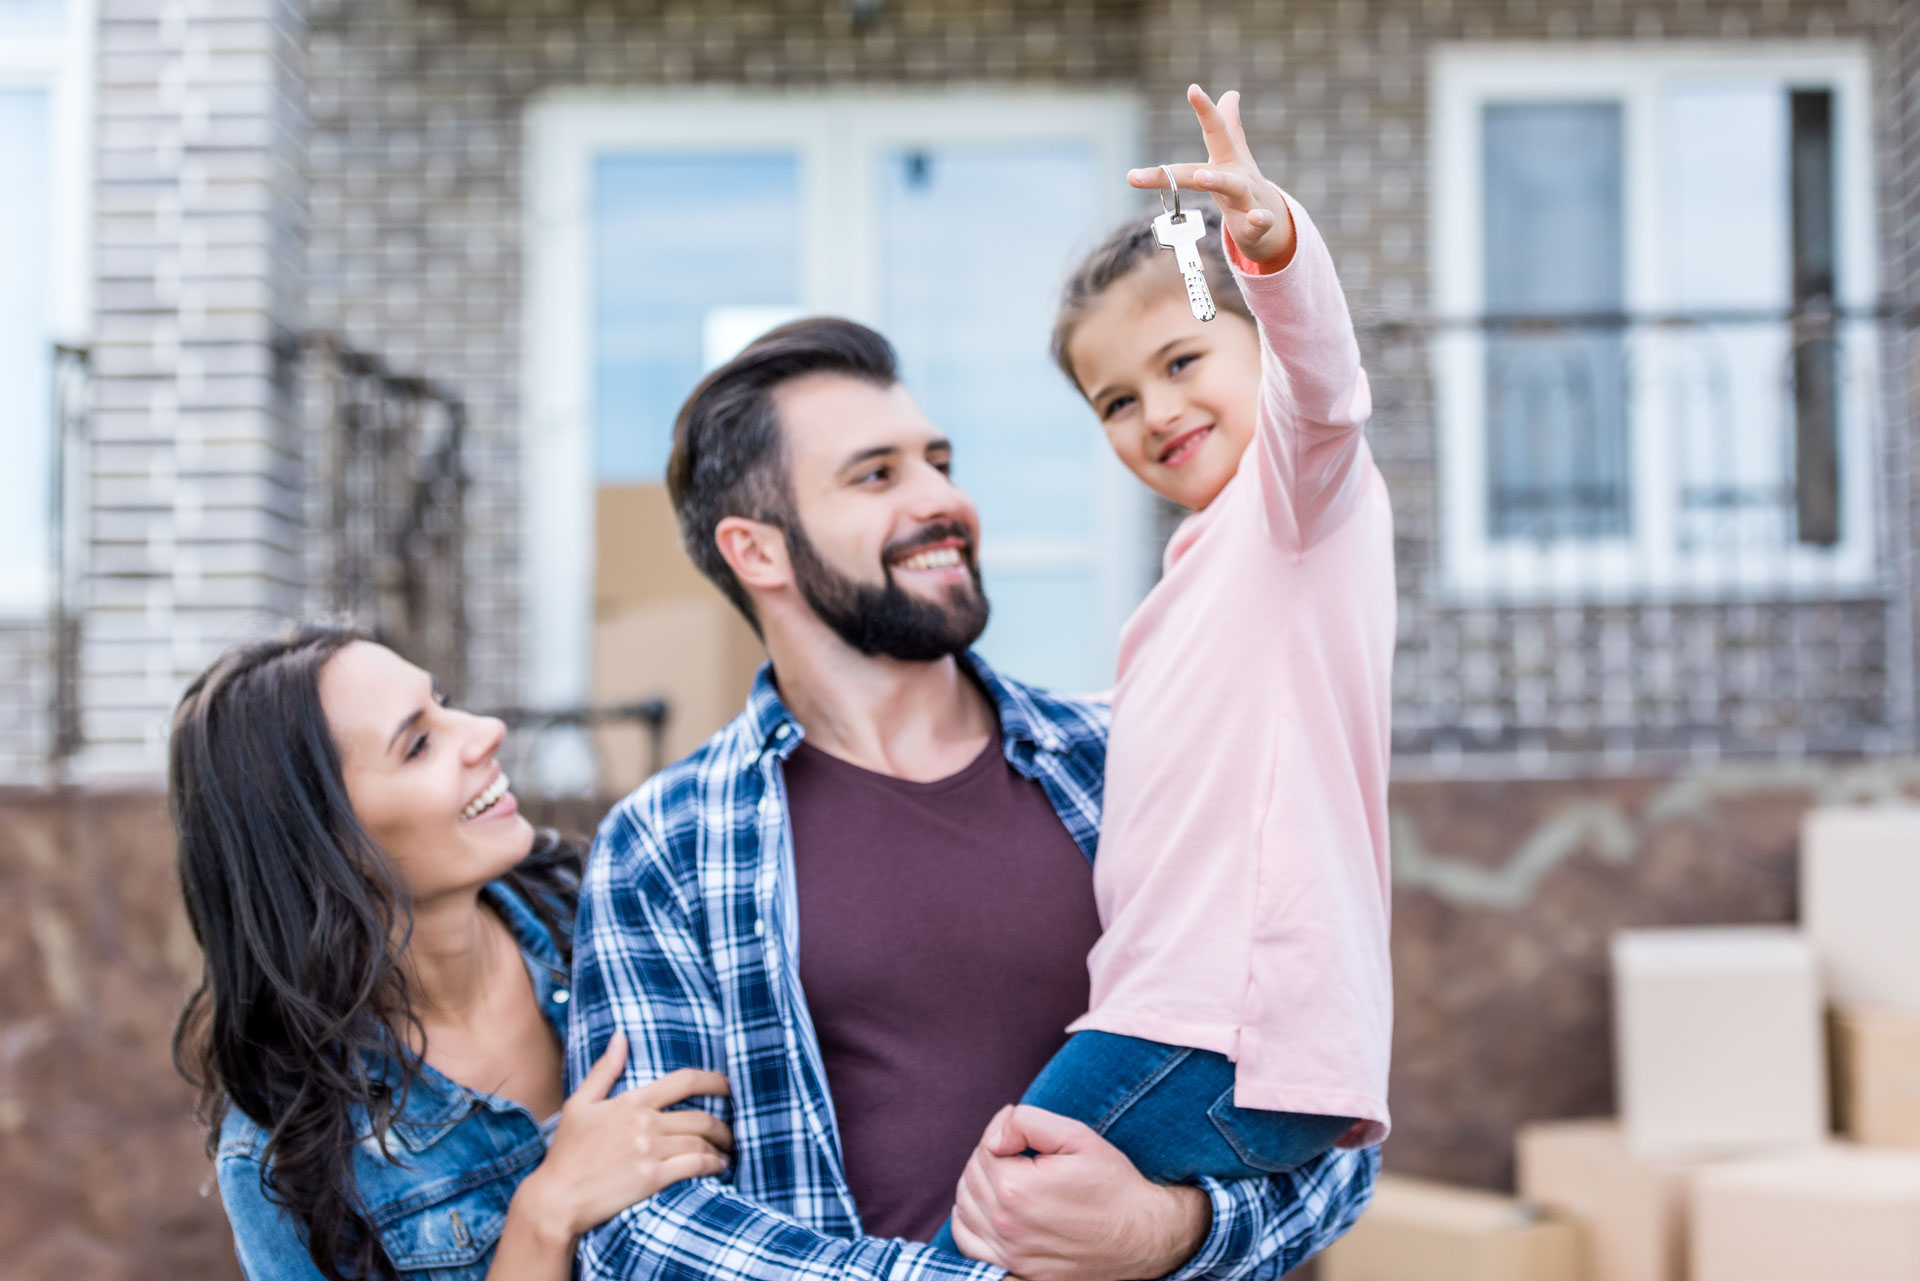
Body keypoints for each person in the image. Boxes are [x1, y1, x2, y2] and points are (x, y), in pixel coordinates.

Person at [566, 313, 1378, 1281]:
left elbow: (1332, 1116)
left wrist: (1167, 1233)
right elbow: (643, 1226)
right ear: (757, 551)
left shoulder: (1126, 759)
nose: (943, 500)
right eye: (878, 476)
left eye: (939, 462)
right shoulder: (668, 845)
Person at [931, 83, 1395, 1254]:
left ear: (1254, 347)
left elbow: (1325, 391)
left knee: (988, 1243)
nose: (1157, 411)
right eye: (1116, 401)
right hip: (1194, 1025)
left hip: (1212, 1027)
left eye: (1185, 358)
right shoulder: (1200, 575)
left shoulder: (1297, 505)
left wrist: (1266, 247)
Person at [170, 625, 734, 1281]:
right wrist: (544, 1215)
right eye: (418, 744)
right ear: (323, 848)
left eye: (445, 701)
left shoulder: (615, 908)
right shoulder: (284, 1152)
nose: (485, 730)